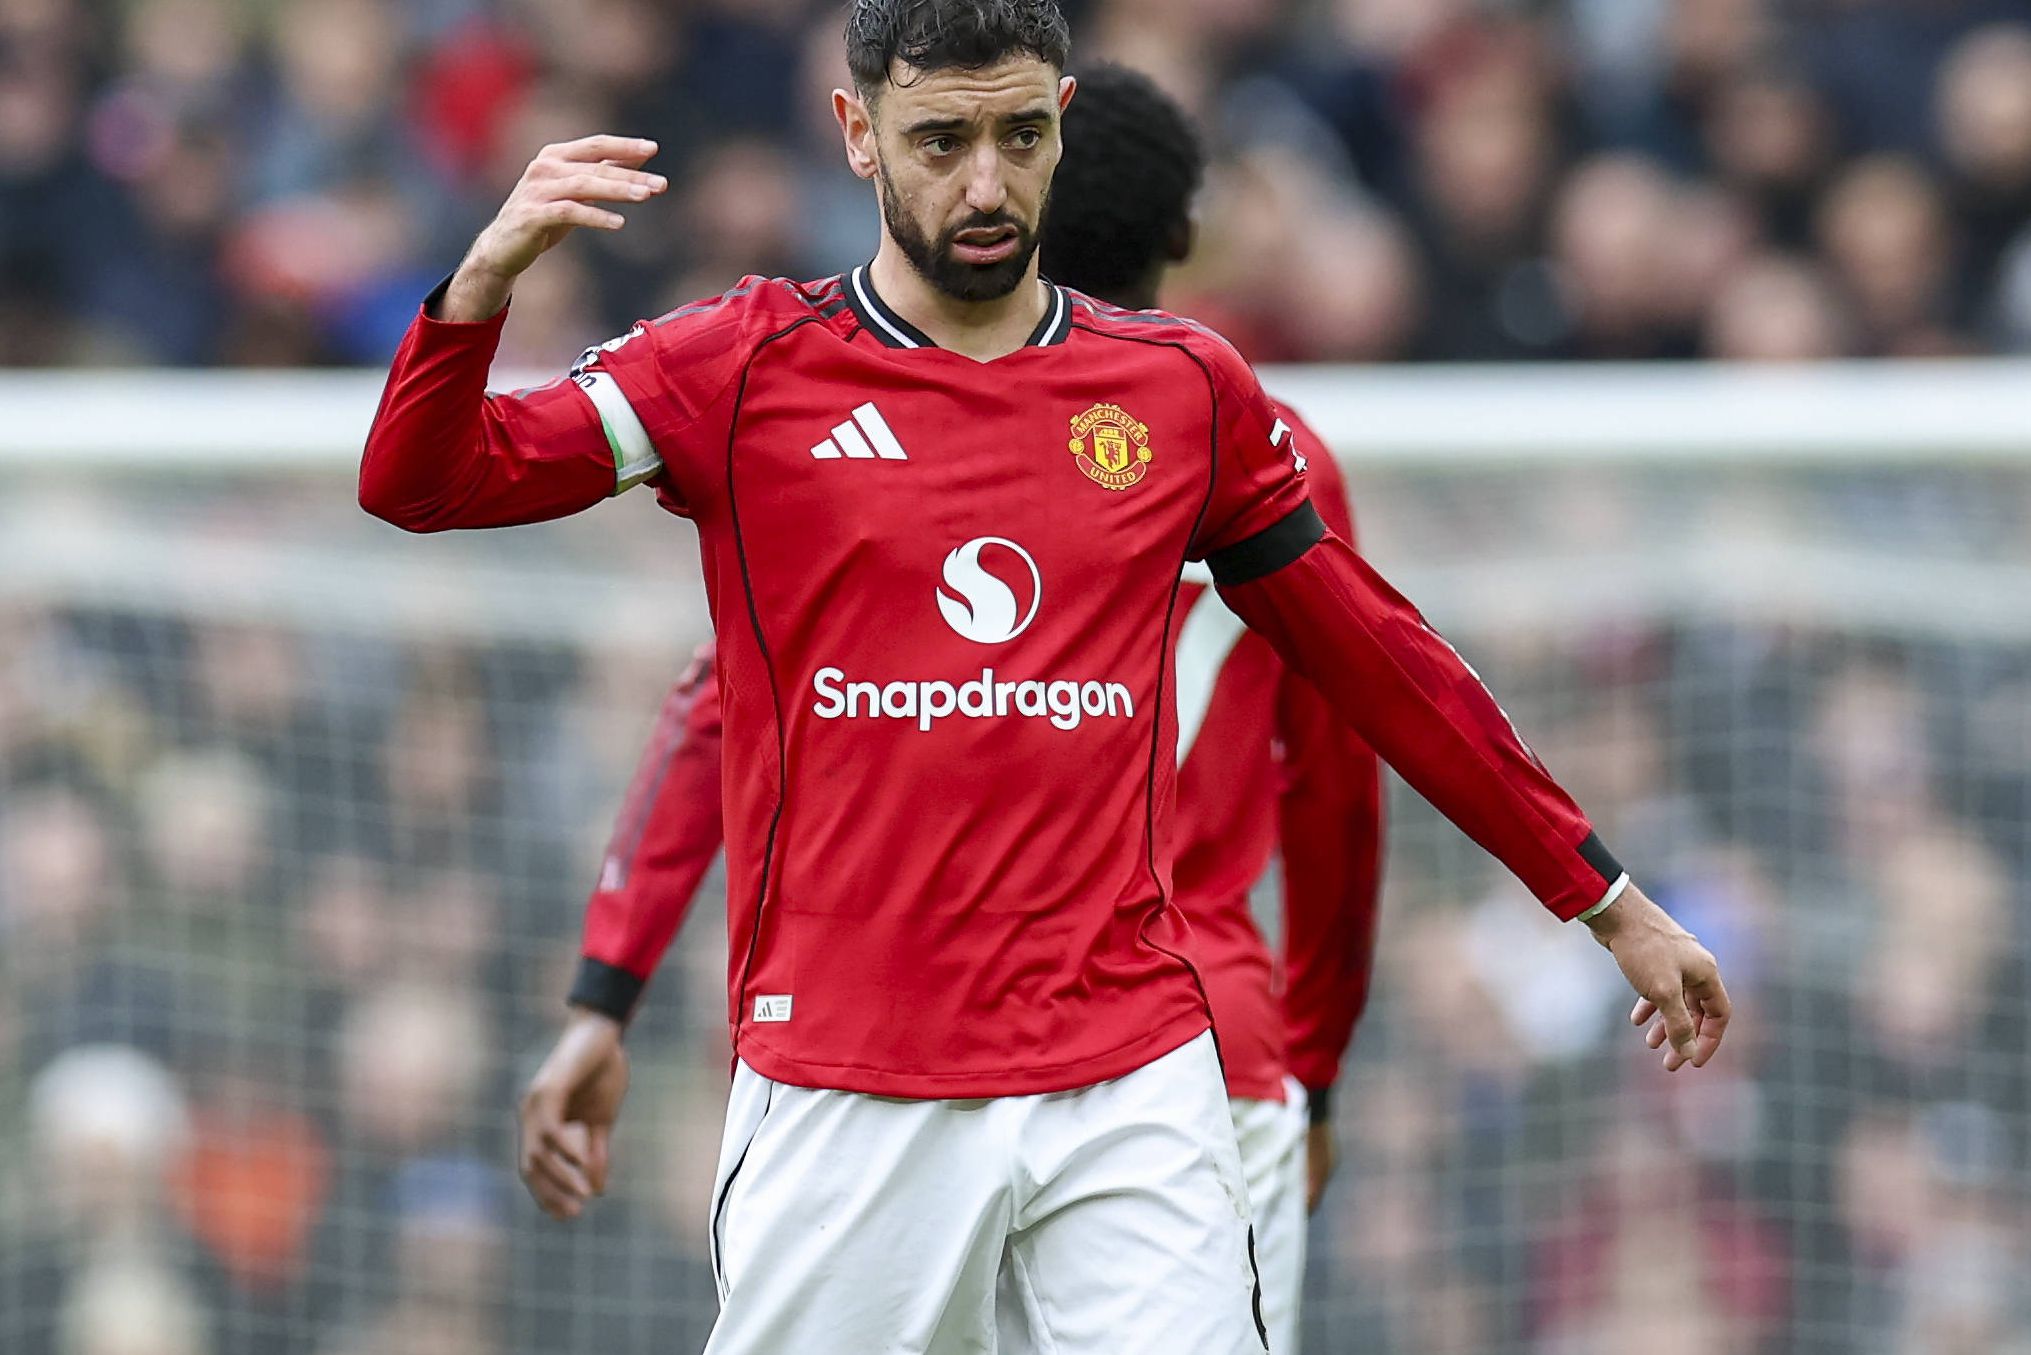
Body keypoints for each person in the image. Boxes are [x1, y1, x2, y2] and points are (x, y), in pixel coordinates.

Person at [359, 3, 1730, 1350]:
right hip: (850, 1078)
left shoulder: (1181, 392)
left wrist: (1603, 900)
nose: (985, 181)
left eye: (1020, 135)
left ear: (1061, 126)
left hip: (1130, 1074)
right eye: (942, 138)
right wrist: (482, 284)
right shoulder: (740, 365)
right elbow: (422, 485)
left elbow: (1379, 666)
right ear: (857, 133)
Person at [540, 64, 1381, 1355]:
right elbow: (1340, 778)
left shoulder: (908, 440)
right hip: (1201, 1052)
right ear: (1176, 240)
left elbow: (717, 714)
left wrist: (609, 986)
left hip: (919, 1049)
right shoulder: (1261, 442)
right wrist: (1315, 1058)